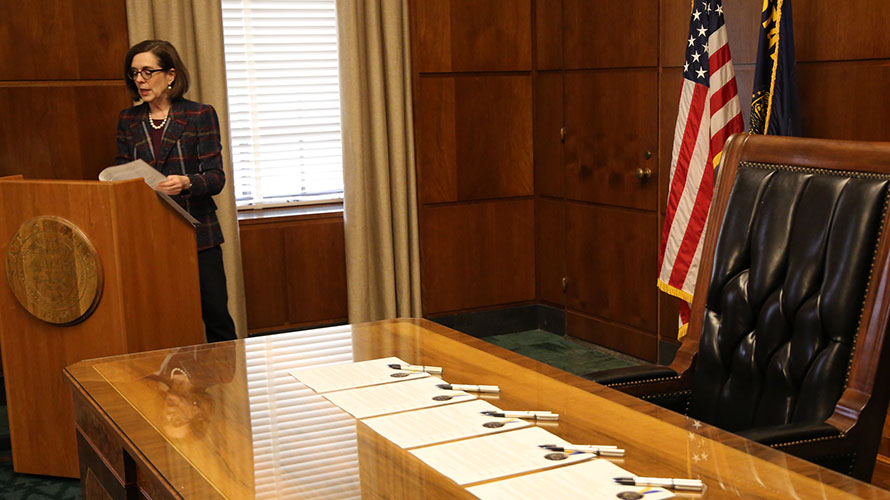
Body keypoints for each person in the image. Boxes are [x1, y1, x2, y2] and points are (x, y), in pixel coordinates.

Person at [115, 39, 236, 343]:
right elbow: (121, 172)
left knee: (216, 318)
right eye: (134, 73)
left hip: (197, 232)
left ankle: (229, 375)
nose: (140, 80)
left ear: (170, 75)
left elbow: (216, 178)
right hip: (149, 236)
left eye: (147, 72)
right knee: (162, 320)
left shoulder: (199, 115)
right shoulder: (128, 120)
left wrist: (186, 182)